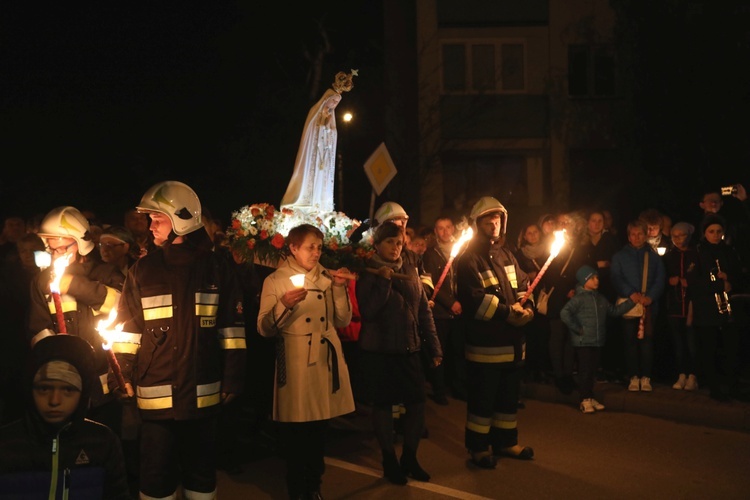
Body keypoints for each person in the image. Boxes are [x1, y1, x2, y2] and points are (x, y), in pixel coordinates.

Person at [113, 180, 247, 499]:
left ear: (181, 220)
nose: (150, 226)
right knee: (156, 476)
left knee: (201, 475)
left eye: (157, 219)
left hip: (203, 394)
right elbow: (127, 329)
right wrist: (123, 375)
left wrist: (234, 377)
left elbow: (232, 329)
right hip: (155, 397)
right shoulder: (142, 271)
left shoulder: (216, 268)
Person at [257, 223, 355, 499]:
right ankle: (298, 487)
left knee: (319, 427)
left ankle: (313, 484)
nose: (315, 252)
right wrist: (285, 304)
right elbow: (264, 328)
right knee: (297, 429)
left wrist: (338, 289)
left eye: (319, 247)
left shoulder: (327, 276)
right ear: (293, 248)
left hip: (324, 358)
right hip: (297, 359)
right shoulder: (276, 280)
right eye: (310, 247)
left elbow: (342, 320)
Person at [356, 221, 442, 485]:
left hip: (410, 348)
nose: (395, 247)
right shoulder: (368, 271)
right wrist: (383, 282)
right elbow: (368, 311)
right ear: (377, 245)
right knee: (383, 405)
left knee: (417, 404)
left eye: (399, 241)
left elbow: (422, 311)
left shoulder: (410, 267)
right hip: (380, 351)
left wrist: (434, 345)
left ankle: (410, 458)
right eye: (389, 242)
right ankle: (389, 460)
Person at [28, 206, 126, 435]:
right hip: (64, 388)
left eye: (63, 247)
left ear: (81, 243)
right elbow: (37, 328)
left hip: (105, 390)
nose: (57, 254)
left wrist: (73, 285)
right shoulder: (41, 281)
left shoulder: (106, 273)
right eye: (51, 249)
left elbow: (123, 307)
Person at [455, 196, 535, 469]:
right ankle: (478, 448)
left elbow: (524, 284)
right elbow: (473, 298)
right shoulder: (469, 259)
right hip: (485, 346)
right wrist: (508, 313)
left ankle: (506, 442)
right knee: (482, 400)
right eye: (488, 219)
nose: (494, 223)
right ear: (478, 224)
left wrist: (529, 307)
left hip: (512, 344)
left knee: (507, 399)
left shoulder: (508, 254)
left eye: (498, 218)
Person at [0, 334, 131, 499]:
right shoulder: (6, 444)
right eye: (44, 389)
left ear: (83, 393)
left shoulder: (102, 443)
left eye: (68, 390)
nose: (54, 401)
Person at [686, 215, 747, 402]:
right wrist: (718, 286)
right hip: (707, 309)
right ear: (704, 233)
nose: (715, 235)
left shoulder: (729, 251)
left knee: (732, 348)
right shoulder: (697, 252)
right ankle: (714, 388)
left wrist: (729, 277)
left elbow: (740, 275)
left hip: (729, 310)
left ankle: (732, 385)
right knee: (709, 349)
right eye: (711, 231)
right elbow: (693, 282)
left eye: (719, 231)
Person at [560, 265, 635, 413]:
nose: (596, 280)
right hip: (583, 341)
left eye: (597, 277)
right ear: (584, 280)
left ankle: (590, 396)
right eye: (592, 278)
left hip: (597, 340)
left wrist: (631, 302)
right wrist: (577, 328)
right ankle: (584, 399)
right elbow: (564, 313)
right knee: (585, 370)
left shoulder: (599, 297)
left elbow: (613, 311)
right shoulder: (579, 298)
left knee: (592, 370)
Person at [280, 70, 356, 213]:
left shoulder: (330, 117)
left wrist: (329, 129)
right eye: (333, 100)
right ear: (326, 99)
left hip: (323, 158)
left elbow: (332, 134)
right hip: (312, 156)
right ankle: (303, 199)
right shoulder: (314, 113)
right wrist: (323, 125)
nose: (334, 104)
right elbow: (312, 132)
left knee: (322, 179)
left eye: (336, 102)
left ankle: (320, 202)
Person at [538, 210, 595, 395]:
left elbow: (585, 270)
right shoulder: (551, 245)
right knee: (557, 336)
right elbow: (549, 272)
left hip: (574, 298)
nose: (563, 225)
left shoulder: (581, 247)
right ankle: (559, 375)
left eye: (567, 222)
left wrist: (576, 288)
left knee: (571, 338)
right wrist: (564, 290)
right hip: (557, 298)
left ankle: (568, 374)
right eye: (560, 222)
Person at [611, 219, 666, 392]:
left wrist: (650, 297)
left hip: (648, 306)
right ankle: (633, 376)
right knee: (630, 342)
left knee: (647, 341)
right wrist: (630, 293)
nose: (636, 237)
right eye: (633, 234)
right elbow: (616, 277)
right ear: (628, 236)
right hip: (629, 304)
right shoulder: (619, 256)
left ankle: (646, 377)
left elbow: (660, 279)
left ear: (645, 234)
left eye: (640, 233)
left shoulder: (654, 256)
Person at [0, 232, 45, 425]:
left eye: (32, 250)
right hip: (14, 338)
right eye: (23, 251)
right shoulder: (10, 275)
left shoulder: (47, 275)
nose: (27, 255)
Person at [422, 214, 465, 403]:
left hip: (462, 310)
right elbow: (432, 284)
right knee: (439, 352)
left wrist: (463, 302)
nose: (445, 231)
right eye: (440, 228)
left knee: (459, 352)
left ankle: (459, 387)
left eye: (448, 227)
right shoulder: (431, 254)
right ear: (435, 231)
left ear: (453, 229)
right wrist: (450, 303)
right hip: (440, 311)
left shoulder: (463, 250)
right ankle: (439, 390)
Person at [512, 222, 551, 383]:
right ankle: (529, 369)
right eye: (529, 232)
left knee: (543, 335)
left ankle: (542, 369)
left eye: (536, 232)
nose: (533, 235)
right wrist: (527, 276)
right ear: (524, 236)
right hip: (527, 298)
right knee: (529, 335)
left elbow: (553, 271)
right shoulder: (519, 255)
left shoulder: (548, 252)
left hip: (544, 298)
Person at [664, 222, 700, 391]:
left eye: (682, 235)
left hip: (692, 305)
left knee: (692, 342)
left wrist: (690, 282)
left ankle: (693, 375)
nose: (678, 239)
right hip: (675, 305)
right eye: (675, 236)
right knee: (678, 343)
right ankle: (681, 374)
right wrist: (669, 281)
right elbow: (663, 277)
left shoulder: (696, 254)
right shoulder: (670, 256)